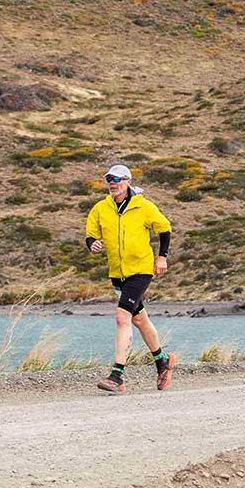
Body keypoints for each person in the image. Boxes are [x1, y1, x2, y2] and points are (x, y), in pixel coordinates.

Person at [85, 163, 174, 392]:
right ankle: (162, 361)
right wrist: (92, 244)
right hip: (117, 272)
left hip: (141, 270)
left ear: (128, 182)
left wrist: (162, 257)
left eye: (117, 179)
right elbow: (91, 234)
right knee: (139, 319)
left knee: (122, 317)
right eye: (109, 180)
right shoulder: (101, 208)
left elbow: (164, 228)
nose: (112, 184)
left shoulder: (143, 206)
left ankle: (117, 375)